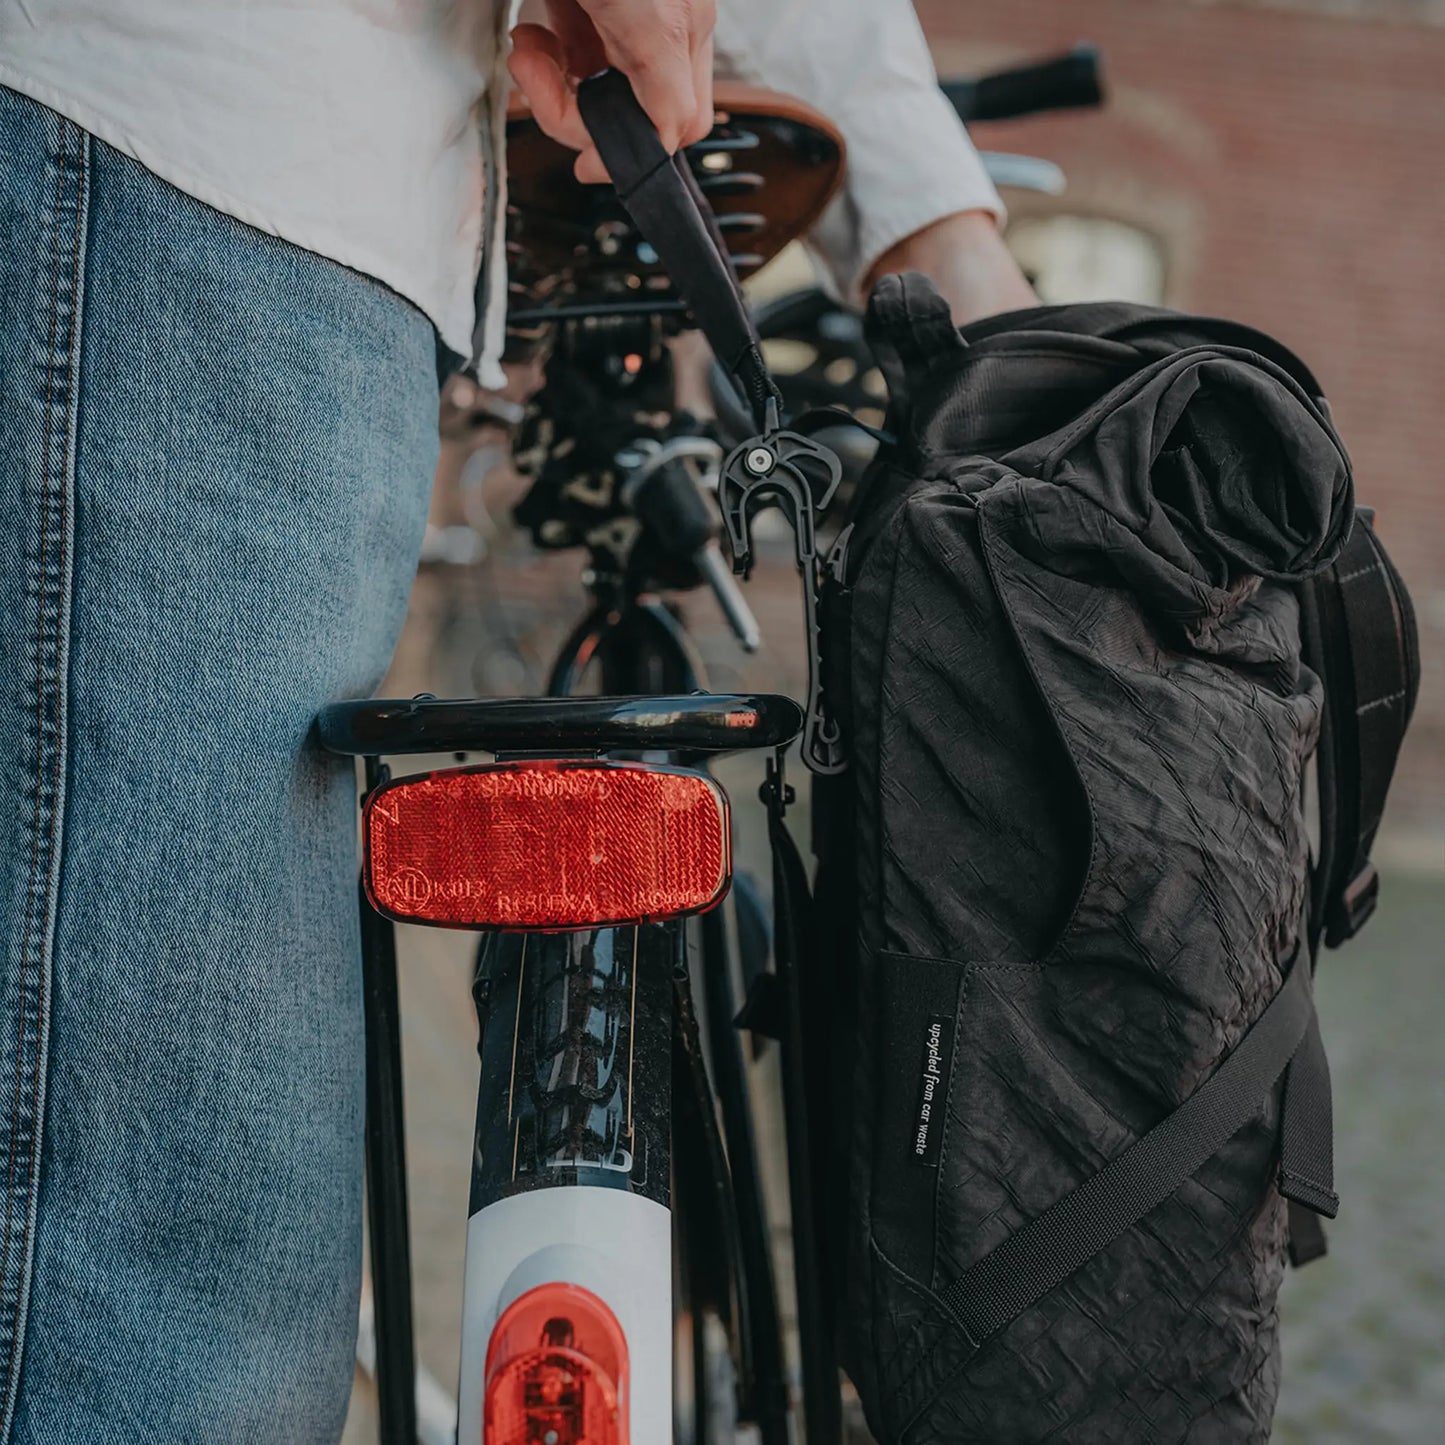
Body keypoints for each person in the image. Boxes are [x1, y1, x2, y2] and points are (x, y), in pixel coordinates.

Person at [0, 1, 1034, 1438]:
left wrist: (927, 213)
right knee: (164, 1283)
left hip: (300, 220)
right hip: (195, 155)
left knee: (207, 1250)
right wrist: (953, 258)